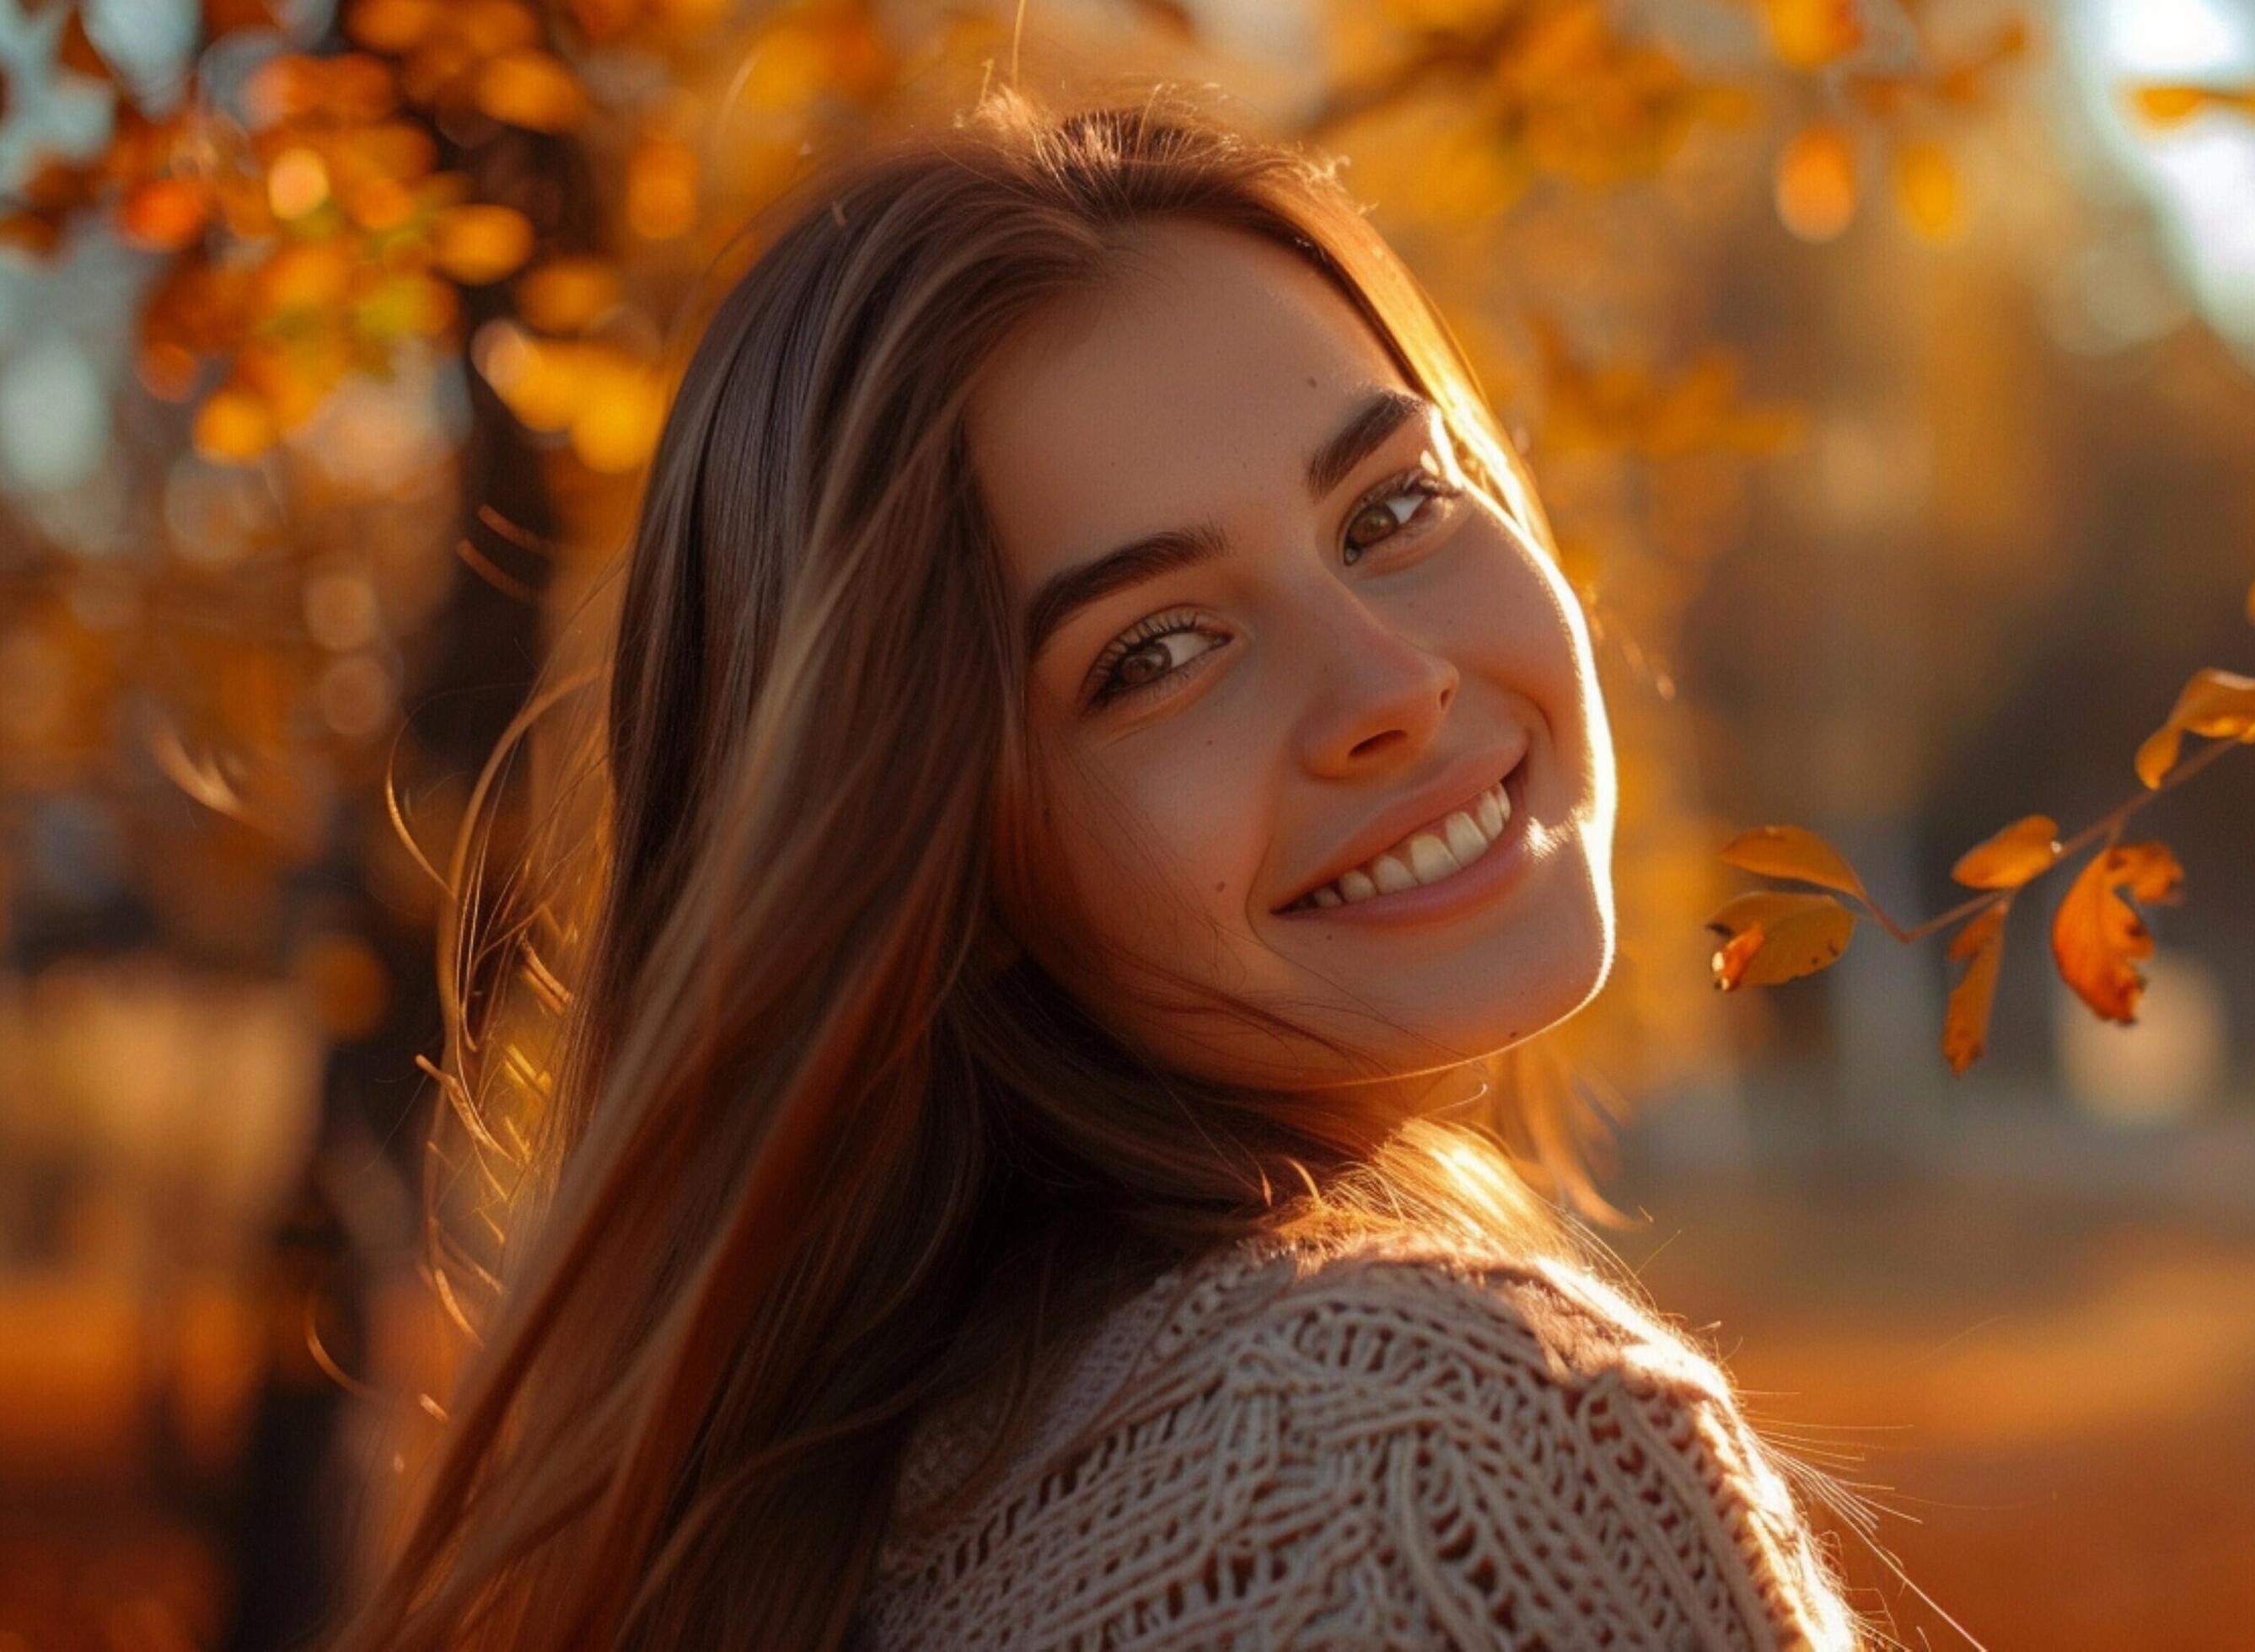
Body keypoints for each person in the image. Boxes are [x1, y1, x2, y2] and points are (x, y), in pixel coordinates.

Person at [328, 83, 1866, 1650]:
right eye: (1156, 652)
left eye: (1391, 505)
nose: (1390, 685)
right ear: (941, 862)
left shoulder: (876, 1513)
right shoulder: (1440, 1472)